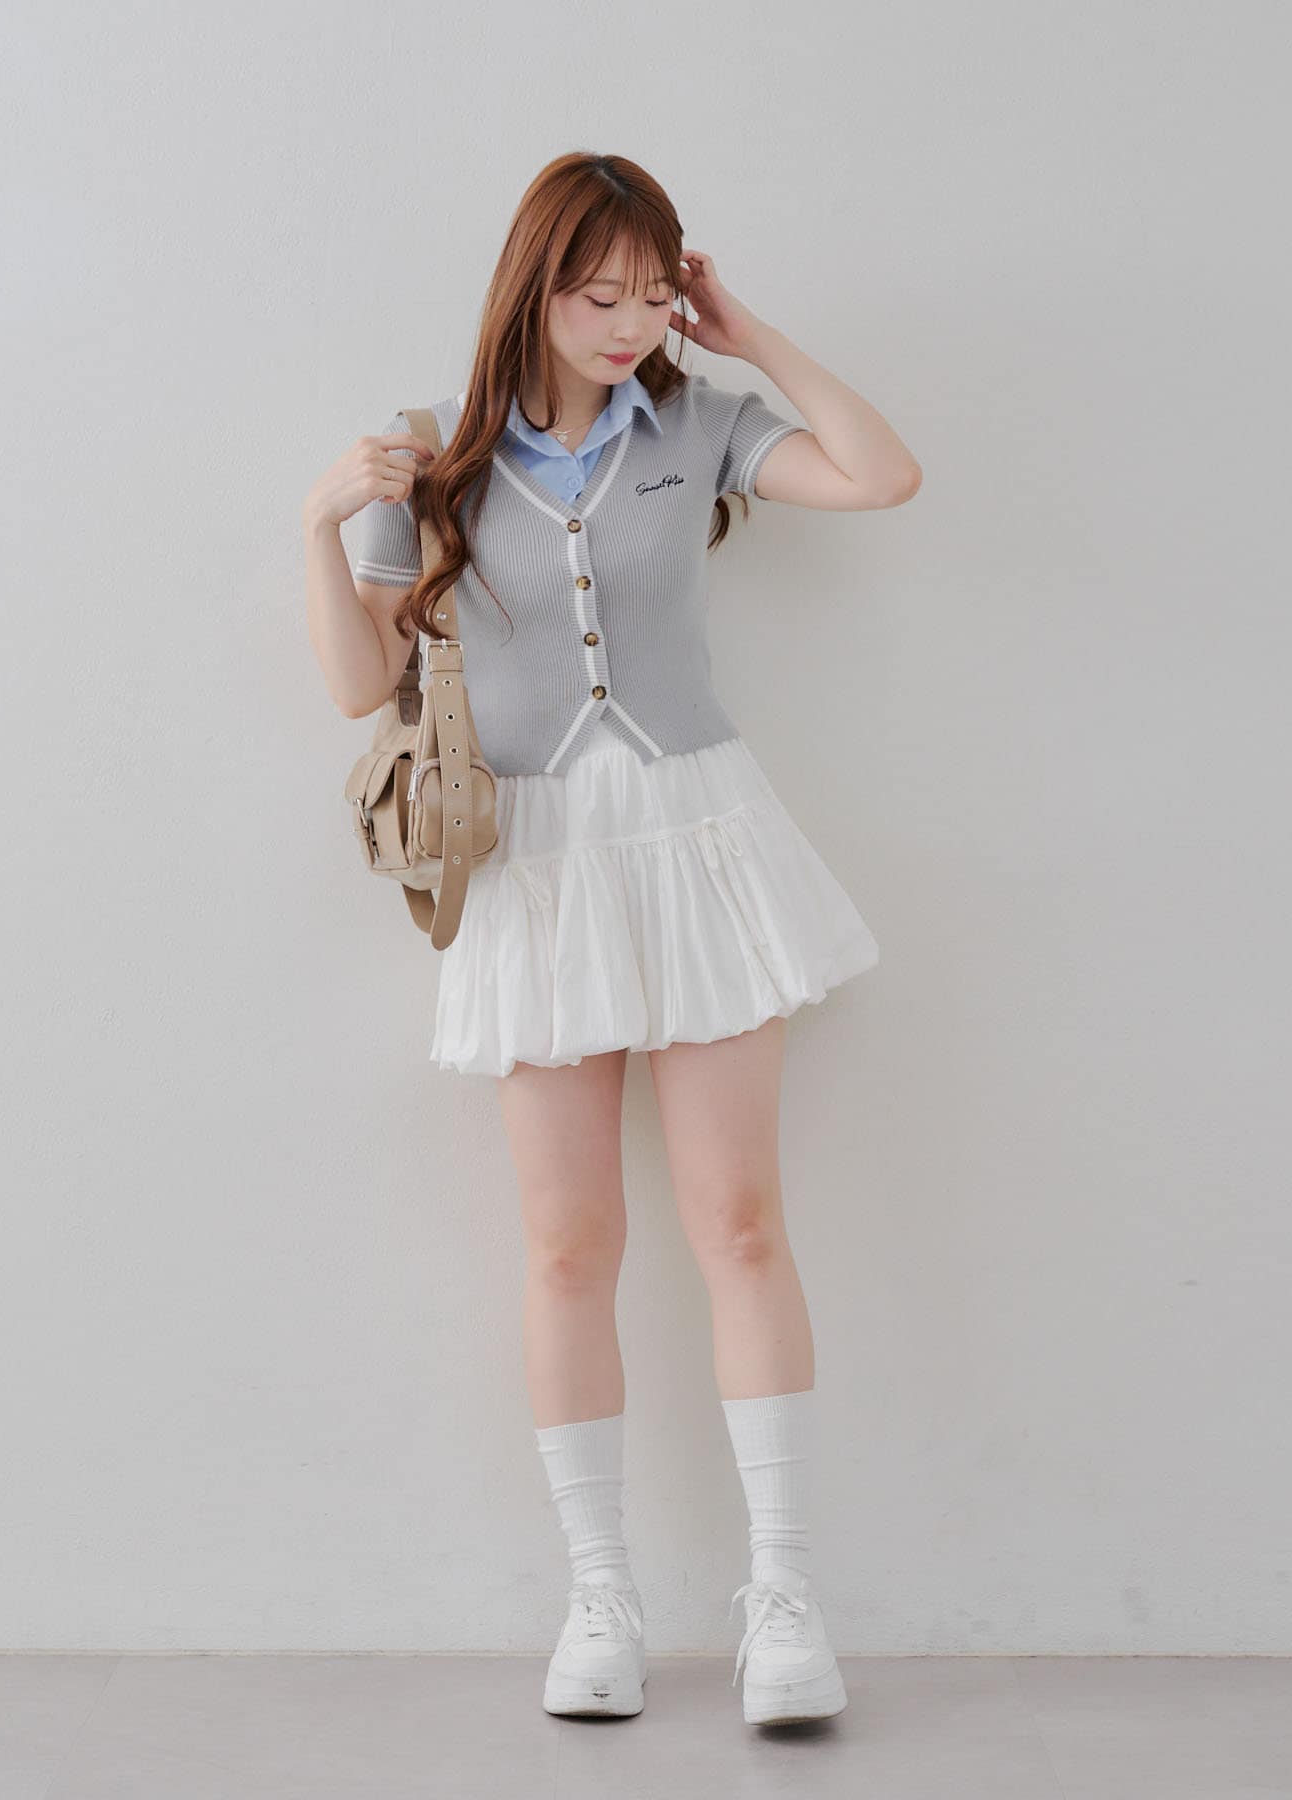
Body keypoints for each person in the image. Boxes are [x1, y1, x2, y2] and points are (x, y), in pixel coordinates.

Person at [302, 152, 921, 1727]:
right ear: (534, 289)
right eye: (601, 296)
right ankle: (600, 1597)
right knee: (570, 1244)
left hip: (699, 840)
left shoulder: (698, 420)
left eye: (653, 293)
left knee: (741, 1224)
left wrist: (746, 333)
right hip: (533, 866)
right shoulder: (435, 456)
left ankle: (785, 1595)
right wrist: (320, 525)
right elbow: (361, 687)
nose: (632, 323)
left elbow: (882, 476)